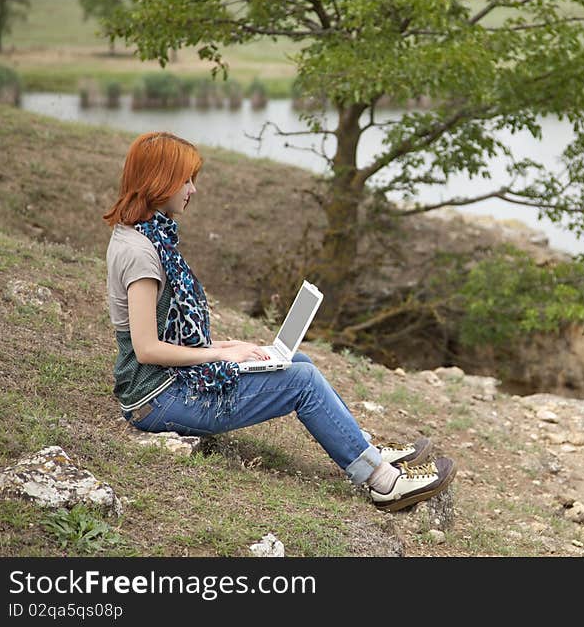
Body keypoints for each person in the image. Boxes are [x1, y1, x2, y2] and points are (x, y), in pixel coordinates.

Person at [103, 131, 456, 512]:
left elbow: (169, 336)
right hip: (159, 400)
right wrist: (216, 357)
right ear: (159, 180)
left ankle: (364, 447)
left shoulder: (149, 237)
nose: (192, 189)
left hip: (170, 387)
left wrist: (226, 348)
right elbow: (147, 347)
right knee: (300, 383)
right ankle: (383, 483)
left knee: (297, 362)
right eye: (185, 179)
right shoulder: (140, 252)